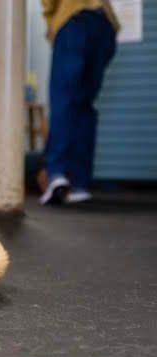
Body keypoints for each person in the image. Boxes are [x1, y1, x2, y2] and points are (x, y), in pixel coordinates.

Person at [40, 0, 119, 205]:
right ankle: (79, 183)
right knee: (83, 105)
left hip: (74, 19)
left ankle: (56, 174)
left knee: (63, 102)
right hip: (105, 25)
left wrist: (50, 22)